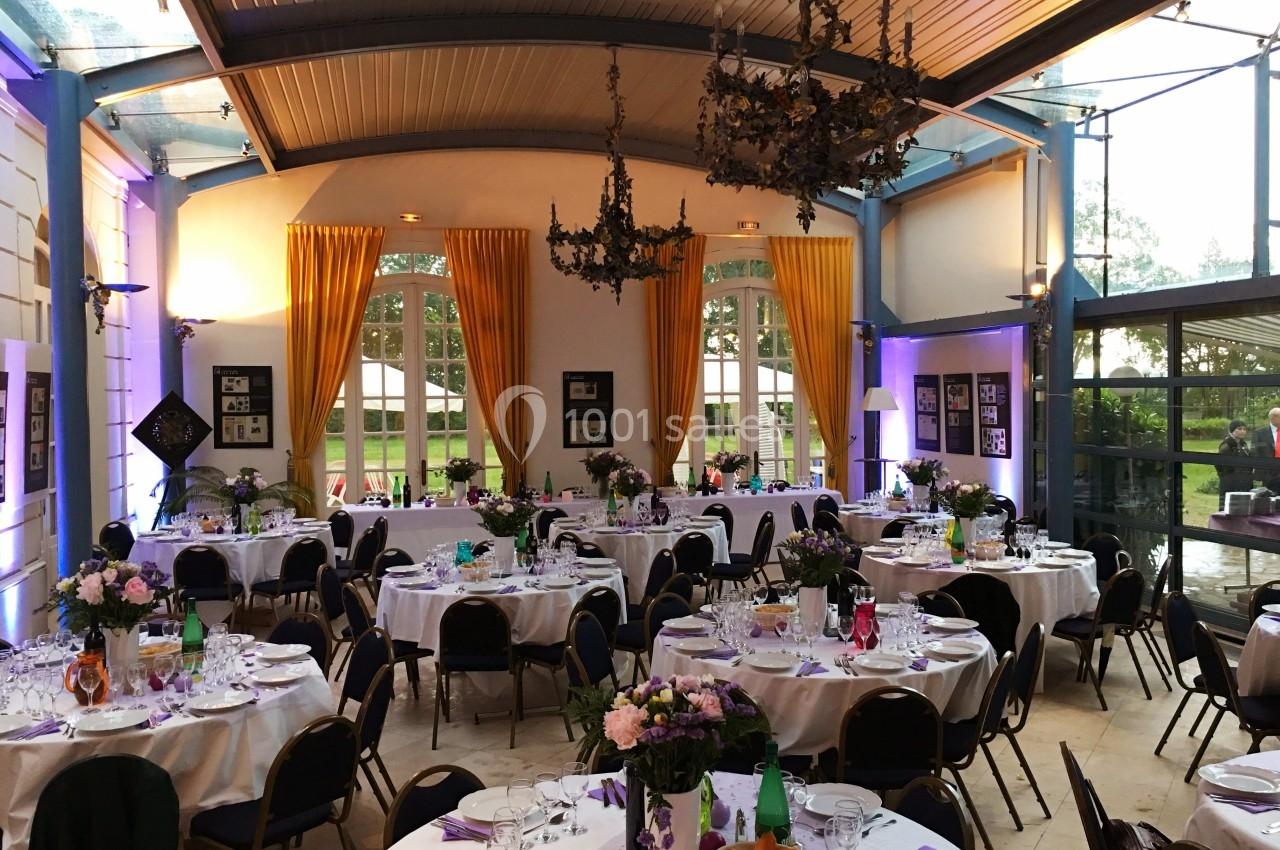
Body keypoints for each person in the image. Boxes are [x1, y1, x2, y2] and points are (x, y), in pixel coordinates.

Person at [1216, 419, 1253, 509]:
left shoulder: (1243, 444)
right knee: (1229, 509)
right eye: (1239, 429)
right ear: (1232, 430)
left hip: (1244, 482)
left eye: (1244, 429)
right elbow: (1220, 466)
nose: (1242, 431)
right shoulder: (1226, 446)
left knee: (1243, 509)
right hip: (1230, 484)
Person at [1252, 408, 1280, 494]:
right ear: (1273, 418)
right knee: (1267, 499)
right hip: (1267, 473)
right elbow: (1255, 452)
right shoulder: (1260, 433)